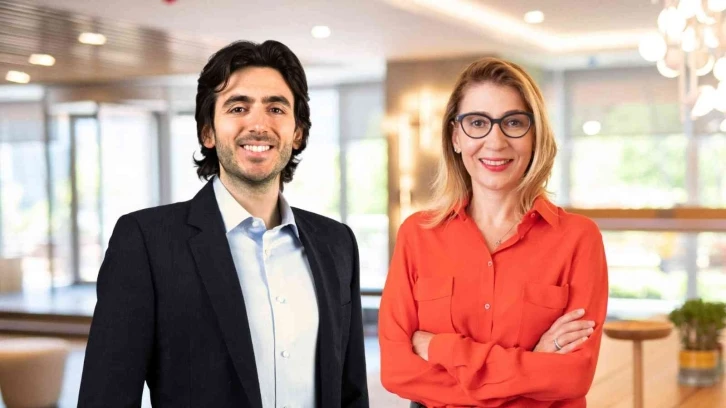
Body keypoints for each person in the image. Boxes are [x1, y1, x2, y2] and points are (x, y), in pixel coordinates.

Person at [78, 40, 369, 408]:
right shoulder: (146, 243)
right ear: (208, 132)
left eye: (276, 108)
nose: (258, 124)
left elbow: (351, 393)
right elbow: (105, 397)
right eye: (238, 107)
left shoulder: (337, 243)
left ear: (297, 132)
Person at [379, 57, 608, 407]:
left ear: (535, 135)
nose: (495, 141)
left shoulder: (578, 239)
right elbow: (398, 371)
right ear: (456, 137)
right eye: (477, 123)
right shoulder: (418, 234)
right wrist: (535, 364)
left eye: (513, 122)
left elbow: (573, 376)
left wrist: (440, 347)